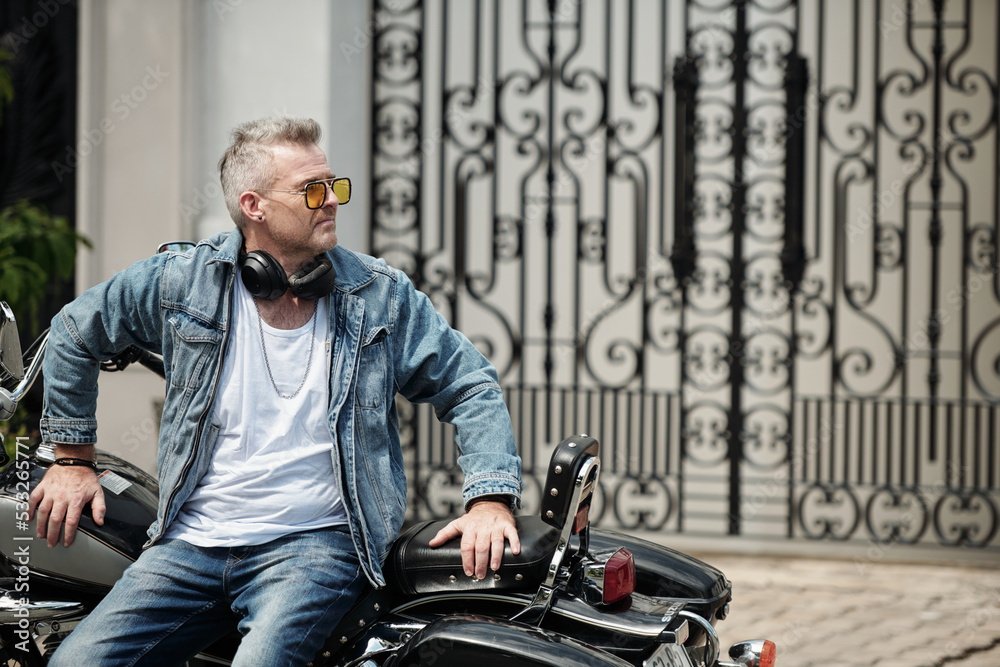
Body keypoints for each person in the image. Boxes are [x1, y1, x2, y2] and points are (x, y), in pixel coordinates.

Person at [27, 117, 522, 666]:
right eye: (312, 190)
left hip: (313, 548)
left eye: (334, 185)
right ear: (254, 205)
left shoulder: (378, 295)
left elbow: (470, 382)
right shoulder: (183, 281)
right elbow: (75, 328)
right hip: (190, 546)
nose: (331, 201)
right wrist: (72, 459)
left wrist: (490, 499)